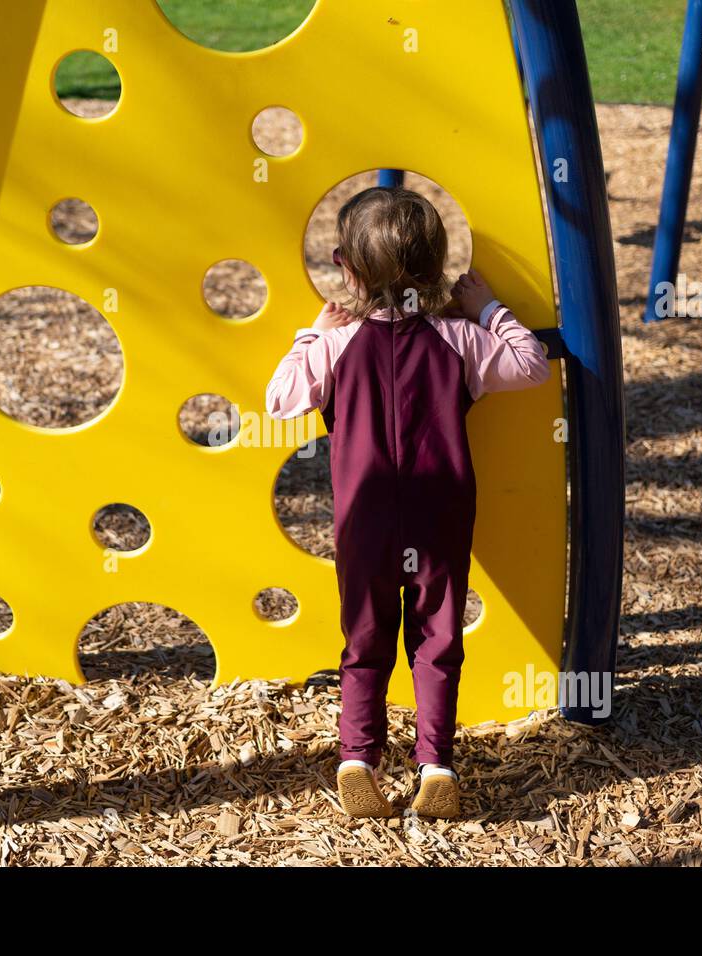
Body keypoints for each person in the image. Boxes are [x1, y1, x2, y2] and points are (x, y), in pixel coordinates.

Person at [265, 186, 551, 818]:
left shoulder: (338, 346)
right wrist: (488, 309)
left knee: (364, 638)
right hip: (439, 514)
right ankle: (436, 767)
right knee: (436, 638)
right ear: (435, 269)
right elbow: (533, 365)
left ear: (349, 269)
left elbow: (280, 399)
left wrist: (312, 335)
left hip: (365, 519)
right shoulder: (459, 340)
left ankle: (357, 759)